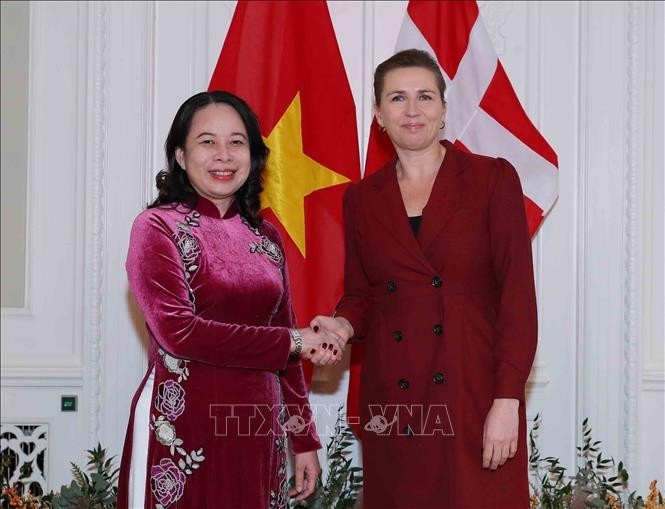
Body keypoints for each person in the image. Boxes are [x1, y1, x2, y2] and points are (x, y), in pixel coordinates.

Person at [312, 49, 538, 508]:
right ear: (378, 113)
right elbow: (362, 296)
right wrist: (342, 325)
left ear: (442, 109)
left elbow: (517, 298)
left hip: (473, 391)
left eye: (424, 97)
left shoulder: (491, 178)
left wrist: (507, 401)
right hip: (394, 397)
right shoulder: (360, 199)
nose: (412, 111)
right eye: (397, 98)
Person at [117, 91, 344, 508]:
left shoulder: (267, 239)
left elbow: (287, 354)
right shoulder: (155, 228)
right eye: (207, 141)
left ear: (253, 156)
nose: (223, 155)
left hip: (258, 431)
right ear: (182, 156)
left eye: (237, 142)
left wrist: (303, 438)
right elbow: (180, 333)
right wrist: (292, 341)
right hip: (186, 423)